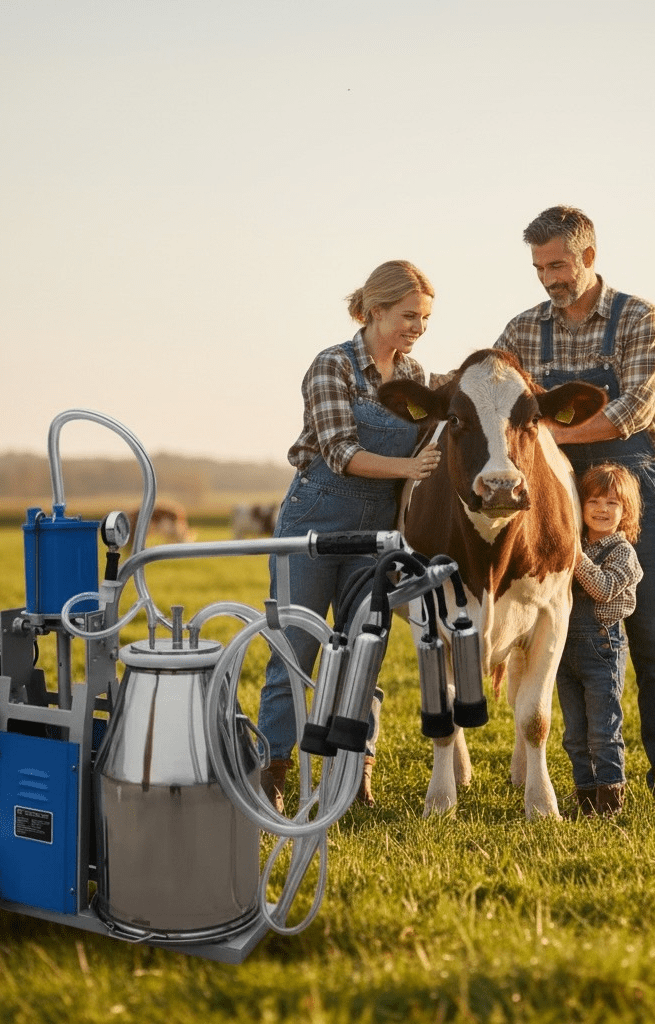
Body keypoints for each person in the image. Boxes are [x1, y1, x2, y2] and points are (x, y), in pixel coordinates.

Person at [494, 205, 655, 809]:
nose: (548, 277)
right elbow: (494, 389)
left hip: (632, 485)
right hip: (556, 497)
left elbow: (632, 408)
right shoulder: (523, 329)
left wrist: (545, 435)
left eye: (558, 264)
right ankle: (585, 777)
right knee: (563, 637)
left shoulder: (638, 318)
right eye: (538, 267)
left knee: (650, 634)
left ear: (589, 256)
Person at [258, 260, 442, 813]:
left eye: (426, 319)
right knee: (296, 649)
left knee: (366, 647)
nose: (418, 328)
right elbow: (339, 453)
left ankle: (354, 774)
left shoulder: (416, 378)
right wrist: (409, 470)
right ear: (376, 309)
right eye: (409, 316)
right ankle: (273, 769)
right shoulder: (332, 366)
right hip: (315, 518)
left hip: (379, 533)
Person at [558, 464, 643, 818]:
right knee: (574, 735)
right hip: (564, 652)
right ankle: (587, 803)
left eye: (612, 502)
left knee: (603, 733)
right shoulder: (573, 542)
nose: (602, 509)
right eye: (593, 500)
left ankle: (611, 807)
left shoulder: (622, 553)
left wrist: (575, 555)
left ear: (626, 513)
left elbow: (604, 589)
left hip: (601, 650)